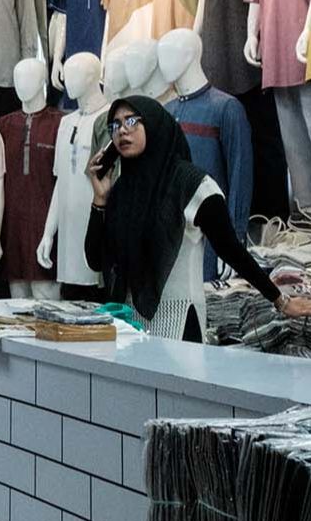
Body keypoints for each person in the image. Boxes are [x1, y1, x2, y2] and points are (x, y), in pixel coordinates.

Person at [85, 95, 311, 341]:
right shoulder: (122, 190)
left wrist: (280, 300)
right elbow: (96, 260)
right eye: (115, 125)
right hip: (129, 327)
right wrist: (100, 200)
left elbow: (232, 251)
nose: (121, 131)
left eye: (131, 121)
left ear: (154, 124)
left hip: (179, 321)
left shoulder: (192, 185)